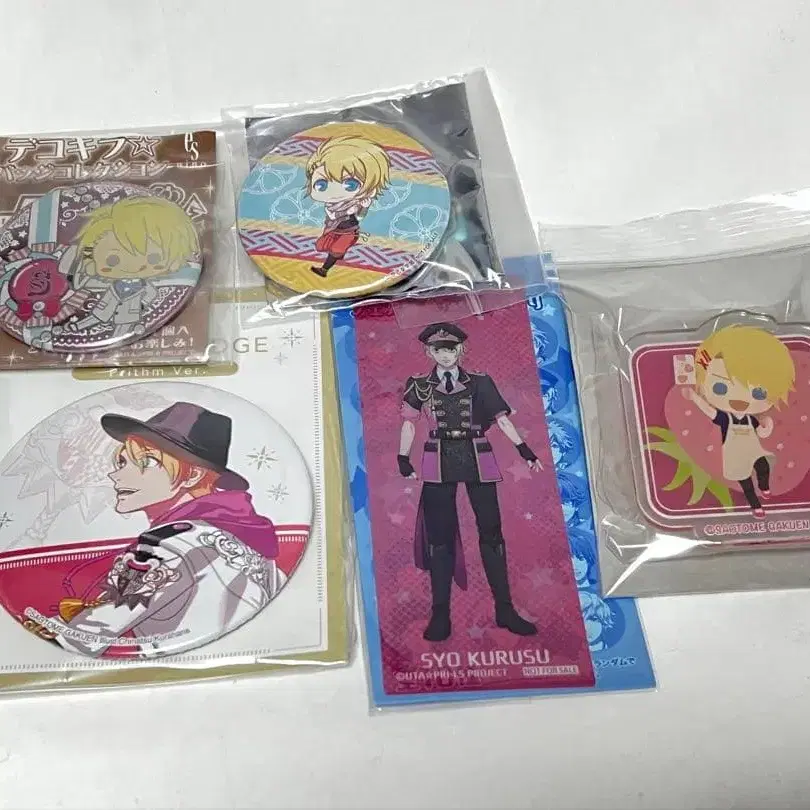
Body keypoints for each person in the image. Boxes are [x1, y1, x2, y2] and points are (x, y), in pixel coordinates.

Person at [47, 402, 283, 658]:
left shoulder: (163, 547)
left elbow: (81, 639)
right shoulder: (249, 539)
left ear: (192, 476)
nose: (116, 475)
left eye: (146, 462)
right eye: (122, 462)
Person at [397, 322, 542, 642]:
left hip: (477, 455)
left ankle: (505, 609)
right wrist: (403, 457)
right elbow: (408, 423)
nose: (445, 355)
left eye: (450, 349)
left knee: (491, 532)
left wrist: (524, 450)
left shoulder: (480, 382)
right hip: (438, 457)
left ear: (460, 349)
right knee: (440, 538)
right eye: (438, 349)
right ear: (428, 351)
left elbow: (502, 420)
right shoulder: (419, 385)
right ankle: (440, 615)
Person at [684, 325, 795, 518]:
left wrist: (767, 426)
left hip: (753, 451)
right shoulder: (725, 418)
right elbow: (709, 410)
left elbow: (761, 431)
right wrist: (694, 397)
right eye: (720, 388)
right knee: (746, 484)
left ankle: (765, 487)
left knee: (763, 465)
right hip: (735, 458)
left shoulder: (751, 418)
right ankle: (756, 506)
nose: (740, 400)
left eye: (758, 393)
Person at [64, 196, 199, 337]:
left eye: (153, 259)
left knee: (122, 328)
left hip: (130, 314)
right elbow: (87, 251)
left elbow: (151, 294)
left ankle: (112, 335)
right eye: (113, 260)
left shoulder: (145, 286)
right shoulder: (98, 268)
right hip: (104, 307)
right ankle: (78, 325)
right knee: (96, 317)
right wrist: (88, 265)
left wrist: (141, 306)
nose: (134, 268)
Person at [305, 135, 390, 278]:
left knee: (336, 249)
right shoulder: (331, 205)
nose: (334, 192)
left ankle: (324, 270)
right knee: (322, 246)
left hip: (349, 231)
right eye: (321, 185)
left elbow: (359, 217)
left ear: (371, 189)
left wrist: (364, 207)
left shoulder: (355, 204)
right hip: (334, 230)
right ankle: (338, 257)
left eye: (350, 184)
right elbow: (332, 216)